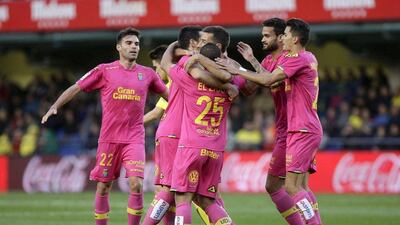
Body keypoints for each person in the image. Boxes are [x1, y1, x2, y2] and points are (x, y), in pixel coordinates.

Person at [41, 27, 168, 225]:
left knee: (137, 185)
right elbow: (77, 87)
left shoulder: (148, 74)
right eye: (129, 43)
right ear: (118, 47)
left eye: (136, 44)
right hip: (109, 139)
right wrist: (55, 106)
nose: (134, 47)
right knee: (103, 187)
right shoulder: (104, 70)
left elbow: (171, 97)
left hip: (134, 139)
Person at [218, 18, 323, 225]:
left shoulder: (294, 57)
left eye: (269, 35)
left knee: (296, 187)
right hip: (289, 129)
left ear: (288, 37)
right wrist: (247, 64)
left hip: (301, 128)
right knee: (278, 185)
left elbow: (269, 79)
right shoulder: (276, 60)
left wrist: (236, 69)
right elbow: (255, 85)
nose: (263, 39)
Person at [142, 26, 237, 225]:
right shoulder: (230, 79)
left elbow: (168, 64)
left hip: (184, 138)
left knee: (175, 193)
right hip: (211, 144)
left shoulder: (187, 67)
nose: (203, 41)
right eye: (200, 38)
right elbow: (239, 82)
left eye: (205, 40)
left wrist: (177, 47)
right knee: (203, 198)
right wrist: (230, 81)